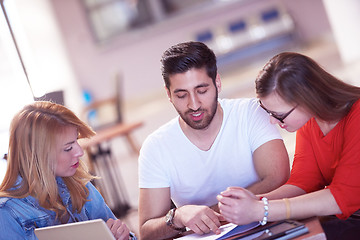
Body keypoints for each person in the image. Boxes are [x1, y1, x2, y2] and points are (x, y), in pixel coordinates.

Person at [138, 41, 290, 240]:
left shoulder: (250, 113)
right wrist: (179, 216)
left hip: (267, 231)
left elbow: (278, 178)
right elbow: (146, 232)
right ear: (168, 94)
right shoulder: (155, 147)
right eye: (182, 95)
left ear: (217, 83)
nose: (194, 105)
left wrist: (210, 213)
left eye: (202, 91)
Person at [217, 52, 360, 240]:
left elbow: (342, 197)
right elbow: (303, 182)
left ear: (307, 99)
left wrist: (261, 210)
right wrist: (256, 200)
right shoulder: (310, 122)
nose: (272, 121)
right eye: (268, 112)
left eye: (278, 115)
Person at [0, 101, 136, 240]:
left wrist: (125, 237)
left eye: (76, 140)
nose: (80, 152)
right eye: (68, 148)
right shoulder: (6, 214)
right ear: (37, 157)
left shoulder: (79, 185)